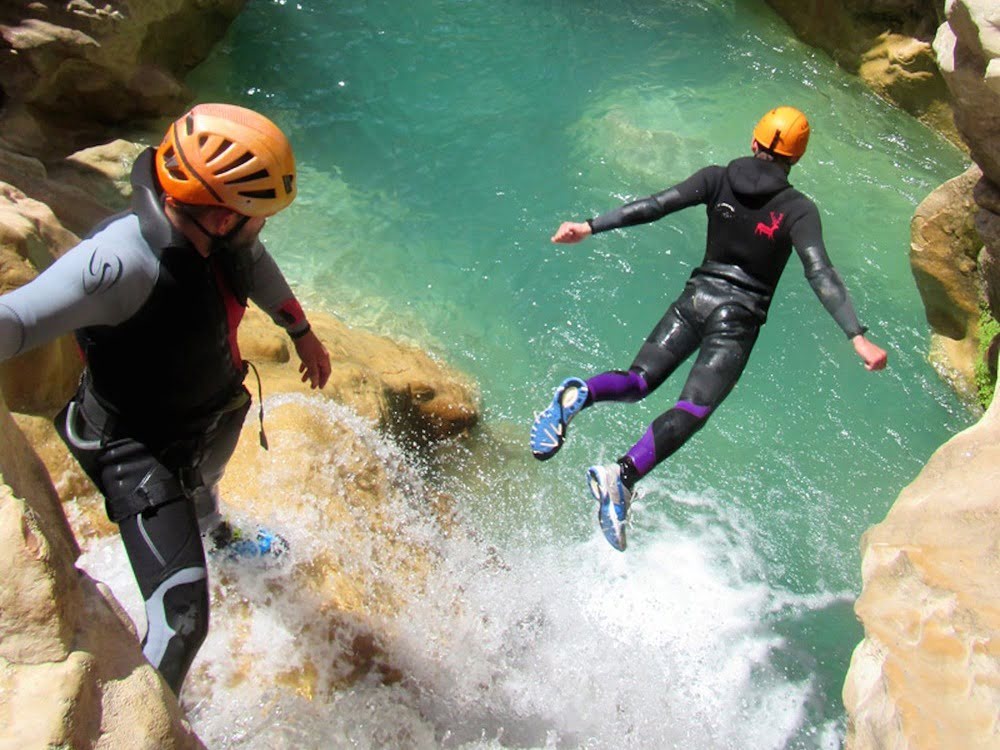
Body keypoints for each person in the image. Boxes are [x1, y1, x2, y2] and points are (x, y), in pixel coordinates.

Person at [0, 103, 332, 694]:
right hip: (136, 448)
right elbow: (18, 321)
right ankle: (155, 721)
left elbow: (253, 263)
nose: (262, 228)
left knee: (206, 485)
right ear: (220, 216)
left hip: (200, 418)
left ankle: (215, 533)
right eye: (256, 216)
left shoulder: (214, 235)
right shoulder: (120, 261)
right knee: (182, 623)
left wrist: (300, 331)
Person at [530, 106, 888, 552]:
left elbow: (655, 205)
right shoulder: (798, 210)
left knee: (638, 381)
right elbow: (820, 272)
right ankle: (619, 477)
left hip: (694, 300)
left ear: (753, 141)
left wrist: (589, 226)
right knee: (693, 409)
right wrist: (855, 333)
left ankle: (579, 393)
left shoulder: (715, 178)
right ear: (796, 158)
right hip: (736, 320)